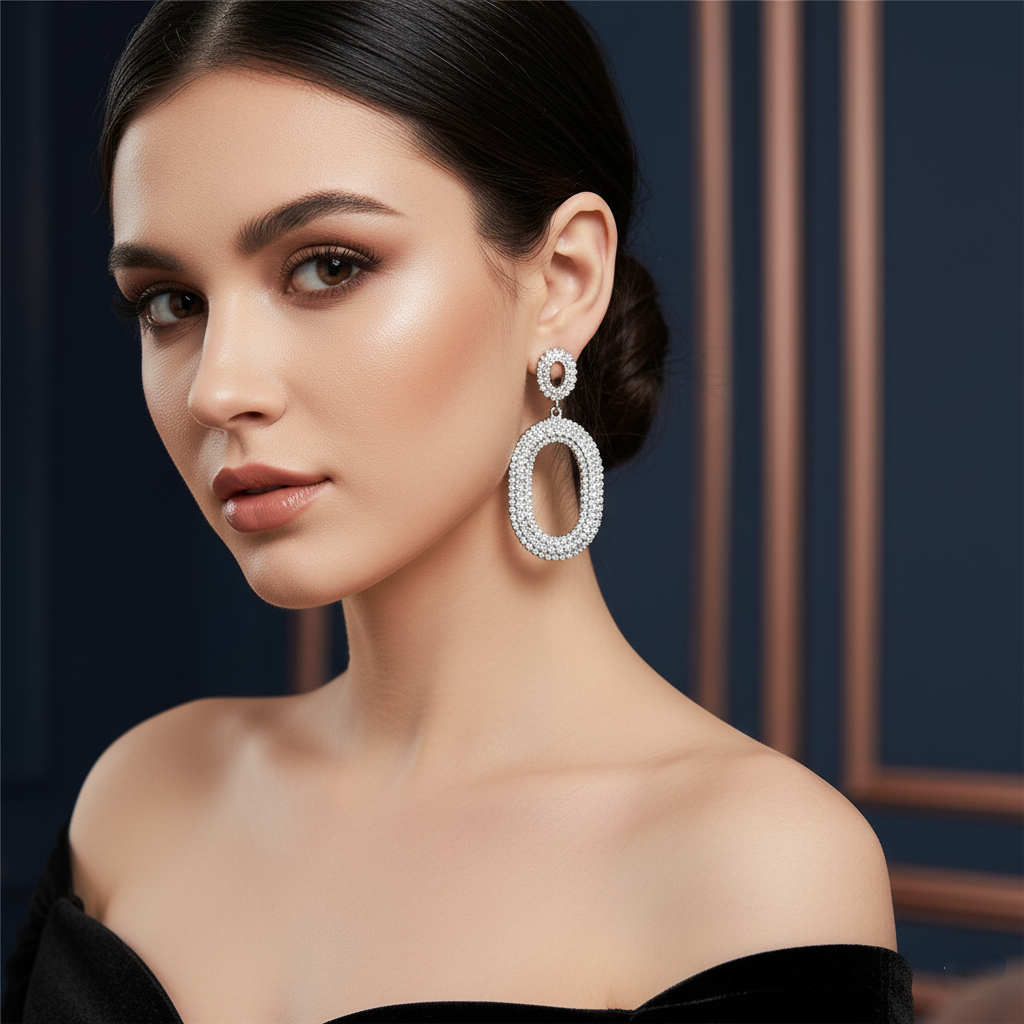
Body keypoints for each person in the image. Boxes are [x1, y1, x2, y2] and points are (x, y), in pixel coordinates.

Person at [3, 2, 913, 1021]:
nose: (219, 388)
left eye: (326, 266)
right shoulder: (141, 792)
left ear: (563, 280)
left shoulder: (748, 865)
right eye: (171, 301)